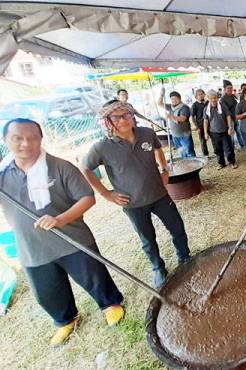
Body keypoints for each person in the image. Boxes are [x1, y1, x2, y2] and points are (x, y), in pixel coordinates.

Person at [0, 118, 124, 346]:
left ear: (40, 140)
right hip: (31, 247)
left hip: (71, 239)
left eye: (32, 137)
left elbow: (87, 198)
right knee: (47, 290)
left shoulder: (60, 167)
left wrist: (60, 219)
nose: (26, 143)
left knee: (94, 276)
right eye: (18, 138)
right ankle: (65, 319)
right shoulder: (3, 175)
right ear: (5, 140)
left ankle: (109, 304)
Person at [82, 101, 190, 288]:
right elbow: (85, 168)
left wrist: (164, 169)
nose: (124, 120)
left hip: (159, 194)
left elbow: (158, 149)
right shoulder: (101, 147)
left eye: (128, 114)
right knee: (147, 238)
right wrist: (106, 193)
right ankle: (158, 267)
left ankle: (185, 258)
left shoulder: (147, 133)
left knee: (177, 228)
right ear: (107, 121)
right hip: (132, 203)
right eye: (117, 116)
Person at [157, 88, 196, 158]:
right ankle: (186, 166)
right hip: (175, 135)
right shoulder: (170, 107)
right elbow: (159, 104)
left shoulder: (184, 107)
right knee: (181, 152)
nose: (174, 101)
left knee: (189, 152)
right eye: (172, 99)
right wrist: (161, 94)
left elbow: (183, 118)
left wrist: (169, 116)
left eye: (176, 99)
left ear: (180, 98)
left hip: (185, 135)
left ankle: (195, 166)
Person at [204, 90, 237, 169]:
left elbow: (228, 116)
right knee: (217, 149)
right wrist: (206, 133)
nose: (213, 100)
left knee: (228, 148)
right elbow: (205, 121)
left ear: (217, 98)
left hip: (225, 131)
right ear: (208, 99)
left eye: (215, 98)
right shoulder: (206, 109)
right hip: (214, 132)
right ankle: (221, 163)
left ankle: (232, 162)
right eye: (211, 98)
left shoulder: (222, 105)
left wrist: (230, 128)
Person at [221, 80, 245, 150]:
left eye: (231, 88)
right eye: (228, 88)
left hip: (236, 117)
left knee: (239, 132)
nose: (230, 89)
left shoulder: (233, 96)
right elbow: (226, 111)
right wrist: (230, 122)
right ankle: (231, 147)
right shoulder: (222, 99)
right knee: (231, 134)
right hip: (229, 119)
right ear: (225, 89)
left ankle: (242, 145)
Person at [191, 89, 210, 157]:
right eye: (199, 94)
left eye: (202, 94)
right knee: (203, 141)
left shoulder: (208, 102)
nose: (201, 95)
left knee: (215, 138)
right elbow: (192, 117)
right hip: (201, 125)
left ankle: (218, 152)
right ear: (196, 96)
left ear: (204, 94)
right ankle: (206, 155)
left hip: (210, 124)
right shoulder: (195, 105)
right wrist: (196, 127)